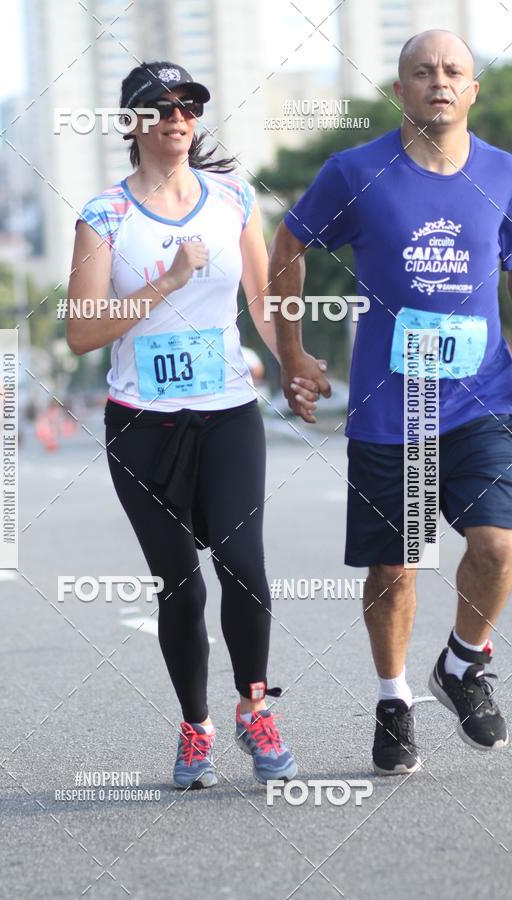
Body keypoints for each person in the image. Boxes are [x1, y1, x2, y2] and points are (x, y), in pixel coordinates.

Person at [269, 30, 512, 775]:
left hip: (481, 398)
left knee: (499, 545)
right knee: (395, 570)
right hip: (389, 411)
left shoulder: (504, 175)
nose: (438, 81)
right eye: (422, 71)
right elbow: (288, 244)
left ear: (471, 90)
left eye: (453, 71)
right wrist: (293, 351)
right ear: (400, 89)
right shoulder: (354, 171)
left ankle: (464, 663)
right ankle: (394, 697)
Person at [67, 61, 304, 789]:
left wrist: (293, 360)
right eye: (159, 106)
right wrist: (166, 281)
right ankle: (196, 725)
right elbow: (80, 332)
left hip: (228, 413)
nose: (177, 117)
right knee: (182, 586)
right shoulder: (105, 215)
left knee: (246, 569)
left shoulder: (233, 197)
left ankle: (254, 708)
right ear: (130, 122)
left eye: (189, 104)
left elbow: (263, 301)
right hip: (143, 426)